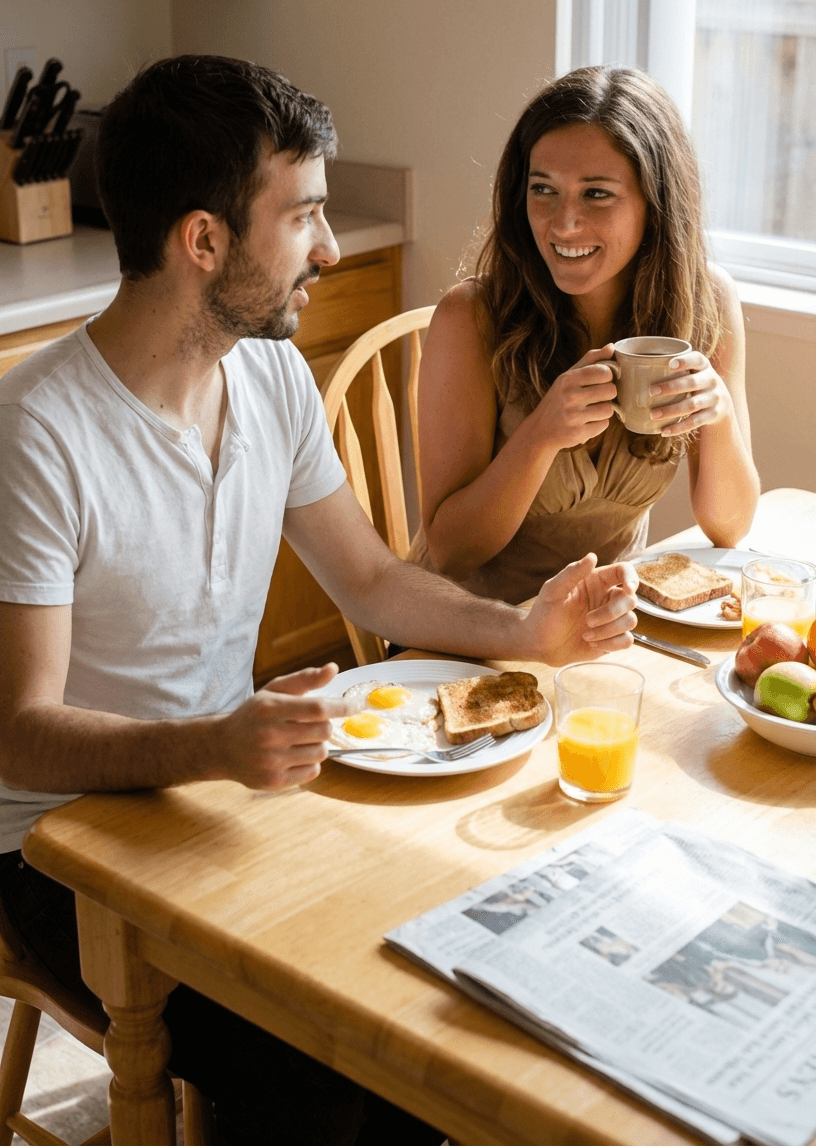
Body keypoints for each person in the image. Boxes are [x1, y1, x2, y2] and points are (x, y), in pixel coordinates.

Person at [0, 55, 638, 1146]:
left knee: (430, 1014)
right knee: (322, 1076)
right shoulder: (37, 434)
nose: (332, 249)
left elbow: (376, 578)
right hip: (59, 848)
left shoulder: (268, 375)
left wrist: (524, 631)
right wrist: (215, 746)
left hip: (223, 799)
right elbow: (19, 737)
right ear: (204, 241)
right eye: (304, 216)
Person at [409, 64, 760, 605]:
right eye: (543, 189)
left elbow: (728, 528)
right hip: (464, 637)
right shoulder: (472, 320)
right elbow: (453, 553)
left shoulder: (707, 305)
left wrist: (717, 414)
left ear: (656, 204)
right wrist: (541, 435)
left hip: (601, 626)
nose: (563, 223)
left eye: (597, 194)